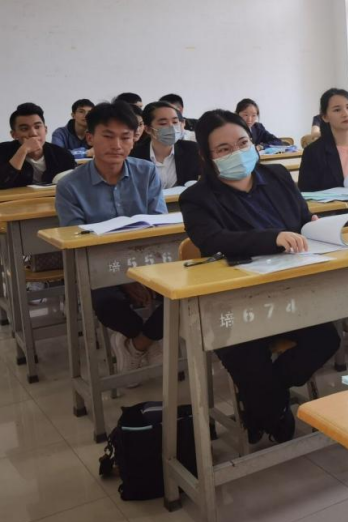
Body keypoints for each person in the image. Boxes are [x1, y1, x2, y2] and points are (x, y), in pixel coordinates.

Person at [180, 110, 340, 444]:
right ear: (207, 157)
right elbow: (213, 240)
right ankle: (269, 405)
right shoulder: (196, 198)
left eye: (242, 143)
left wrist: (312, 226)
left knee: (326, 339)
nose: (237, 153)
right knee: (247, 356)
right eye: (224, 149)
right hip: (236, 301)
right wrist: (274, 237)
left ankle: (263, 400)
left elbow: (300, 219)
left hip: (290, 290)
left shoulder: (277, 176)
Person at [55, 101, 166, 375]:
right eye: (108, 136)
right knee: (106, 303)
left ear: (134, 139)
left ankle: (137, 345)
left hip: (148, 262)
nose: (117, 145)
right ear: (90, 138)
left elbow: (158, 228)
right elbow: (78, 243)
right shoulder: (70, 186)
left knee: (182, 296)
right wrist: (126, 279)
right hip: (98, 269)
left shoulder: (147, 172)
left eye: (125, 137)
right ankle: (145, 338)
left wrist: (141, 274)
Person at [0, 102, 77, 188]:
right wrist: (23, 151)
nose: (33, 133)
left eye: (37, 127)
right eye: (24, 129)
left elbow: (73, 187)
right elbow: (2, 183)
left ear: (45, 130)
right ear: (14, 134)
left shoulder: (63, 155)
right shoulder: (2, 151)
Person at [131, 101, 201, 188]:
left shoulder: (193, 150)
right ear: (148, 129)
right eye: (163, 123)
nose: (171, 127)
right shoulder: (134, 156)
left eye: (175, 122)